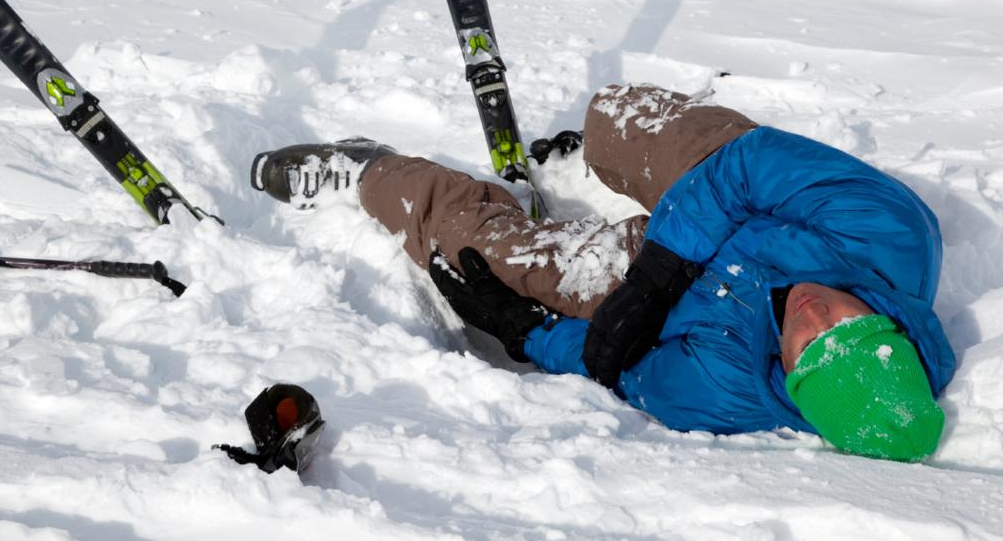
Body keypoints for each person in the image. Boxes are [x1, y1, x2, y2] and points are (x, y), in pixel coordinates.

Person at [249, 84, 957, 462]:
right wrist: (662, 270)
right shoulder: (893, 235)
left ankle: (374, 172)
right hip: (725, 187)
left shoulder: (726, 393)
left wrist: (527, 333)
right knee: (616, 120)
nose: (810, 312)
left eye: (806, 344)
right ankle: (589, 154)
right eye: (844, 320)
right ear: (888, 320)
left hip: (664, 284)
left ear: (793, 384)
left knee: (487, 261)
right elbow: (748, 167)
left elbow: (612, 364)